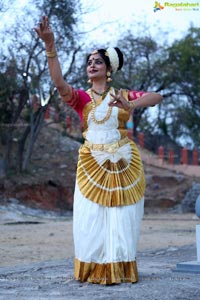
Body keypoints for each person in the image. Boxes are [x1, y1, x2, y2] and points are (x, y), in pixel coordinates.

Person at [34, 16, 163, 285]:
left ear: (108, 69)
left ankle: (120, 267)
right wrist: (50, 46)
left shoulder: (122, 95)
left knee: (122, 216)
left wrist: (131, 106)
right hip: (92, 162)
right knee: (90, 214)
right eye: (89, 62)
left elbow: (156, 97)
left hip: (124, 162)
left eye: (98, 62)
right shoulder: (82, 99)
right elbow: (59, 83)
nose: (92, 65)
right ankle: (93, 268)